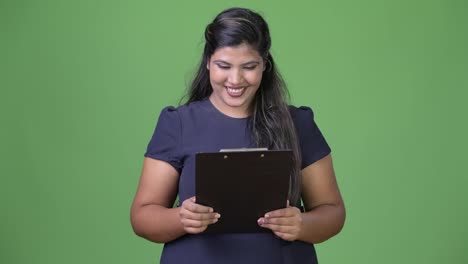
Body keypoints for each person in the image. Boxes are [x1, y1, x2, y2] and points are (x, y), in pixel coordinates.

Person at [130, 7, 345, 264]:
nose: (235, 79)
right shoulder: (178, 123)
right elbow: (142, 216)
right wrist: (181, 218)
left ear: (265, 64)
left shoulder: (298, 123)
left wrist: (301, 224)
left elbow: (333, 212)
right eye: (224, 65)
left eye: (249, 66)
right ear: (208, 61)